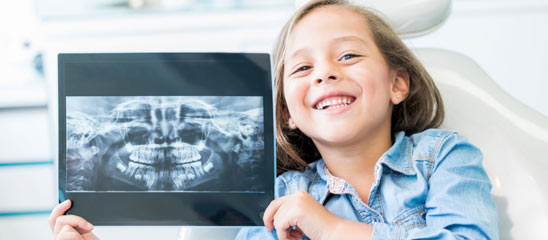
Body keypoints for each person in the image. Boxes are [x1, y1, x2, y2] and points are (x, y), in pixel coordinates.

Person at [49, 0, 499, 239]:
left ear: (399, 83)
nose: (325, 72)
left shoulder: (444, 159)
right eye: (302, 68)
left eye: (348, 55)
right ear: (286, 114)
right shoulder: (276, 200)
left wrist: (331, 228)